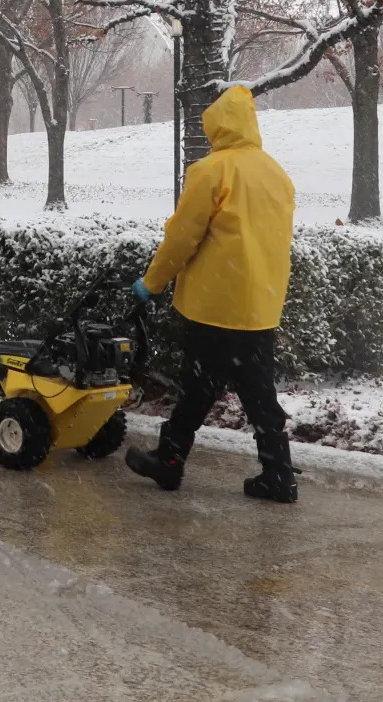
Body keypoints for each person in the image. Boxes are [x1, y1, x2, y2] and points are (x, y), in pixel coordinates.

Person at [125, 84, 298, 503]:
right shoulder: (276, 173)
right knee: (260, 395)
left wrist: (151, 283)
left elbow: (182, 238)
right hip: (260, 307)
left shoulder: (211, 170)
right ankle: (279, 475)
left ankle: (168, 462)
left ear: (218, 126)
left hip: (216, 306)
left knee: (198, 387)